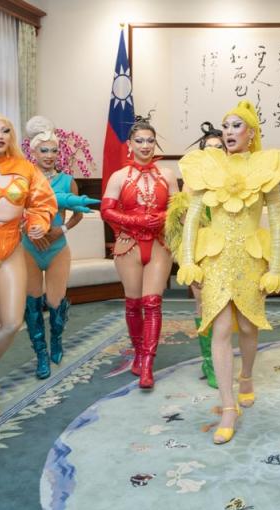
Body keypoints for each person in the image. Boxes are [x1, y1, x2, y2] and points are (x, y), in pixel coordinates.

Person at [176, 100, 280, 444]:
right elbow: (192, 217)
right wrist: (188, 260)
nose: (229, 132)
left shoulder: (266, 168)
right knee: (221, 326)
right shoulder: (207, 166)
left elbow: (276, 221)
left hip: (249, 258)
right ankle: (228, 406)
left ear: (251, 133)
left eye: (236, 126)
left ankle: (246, 375)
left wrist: (276, 267)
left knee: (246, 325)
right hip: (215, 258)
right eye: (225, 126)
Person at [0, 113, 57, 424]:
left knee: (13, 321)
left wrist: (39, 224)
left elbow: (43, 202)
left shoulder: (24, 167)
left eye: (5, 130)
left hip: (12, 246)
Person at [101, 115, 176, 389]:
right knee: (133, 304)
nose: (146, 146)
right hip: (128, 244)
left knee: (153, 302)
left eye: (150, 141)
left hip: (159, 244)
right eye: (140, 141)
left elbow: (179, 209)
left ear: (155, 144)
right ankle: (138, 353)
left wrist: (164, 217)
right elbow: (106, 210)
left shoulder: (167, 175)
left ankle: (147, 364)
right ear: (130, 144)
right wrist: (136, 221)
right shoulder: (119, 176)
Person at [21, 116, 98, 379]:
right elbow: (11, 213)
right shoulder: (23, 180)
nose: (50, 155)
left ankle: (56, 340)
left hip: (57, 249)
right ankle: (40, 354)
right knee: (32, 305)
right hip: (28, 249)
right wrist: (28, 230)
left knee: (55, 302)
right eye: (45, 150)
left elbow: (77, 214)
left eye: (55, 150)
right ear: (33, 152)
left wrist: (59, 231)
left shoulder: (67, 181)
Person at [166, 121, 225, 389]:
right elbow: (183, 222)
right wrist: (187, 258)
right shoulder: (192, 182)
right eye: (208, 147)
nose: (213, 151)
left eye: (218, 147)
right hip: (201, 252)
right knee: (203, 306)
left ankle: (222, 355)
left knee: (226, 308)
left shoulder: (236, 178)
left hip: (229, 251)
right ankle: (209, 362)